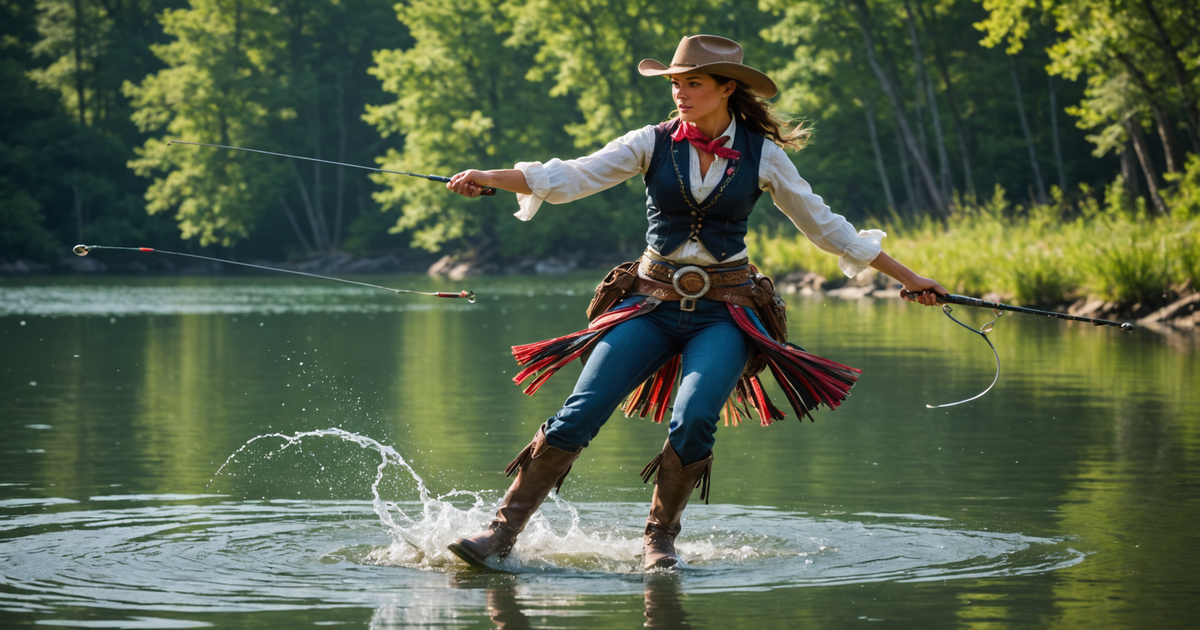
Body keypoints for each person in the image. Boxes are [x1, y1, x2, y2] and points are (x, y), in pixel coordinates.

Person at [443, 34, 946, 570]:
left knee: (694, 420)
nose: (680, 93)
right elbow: (570, 175)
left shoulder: (764, 155)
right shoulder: (650, 141)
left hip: (724, 313)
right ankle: (500, 533)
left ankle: (659, 540)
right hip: (649, 305)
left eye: (693, 83)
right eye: (676, 84)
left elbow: (828, 229)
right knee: (579, 414)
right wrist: (489, 177)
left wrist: (911, 277)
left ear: (727, 88)